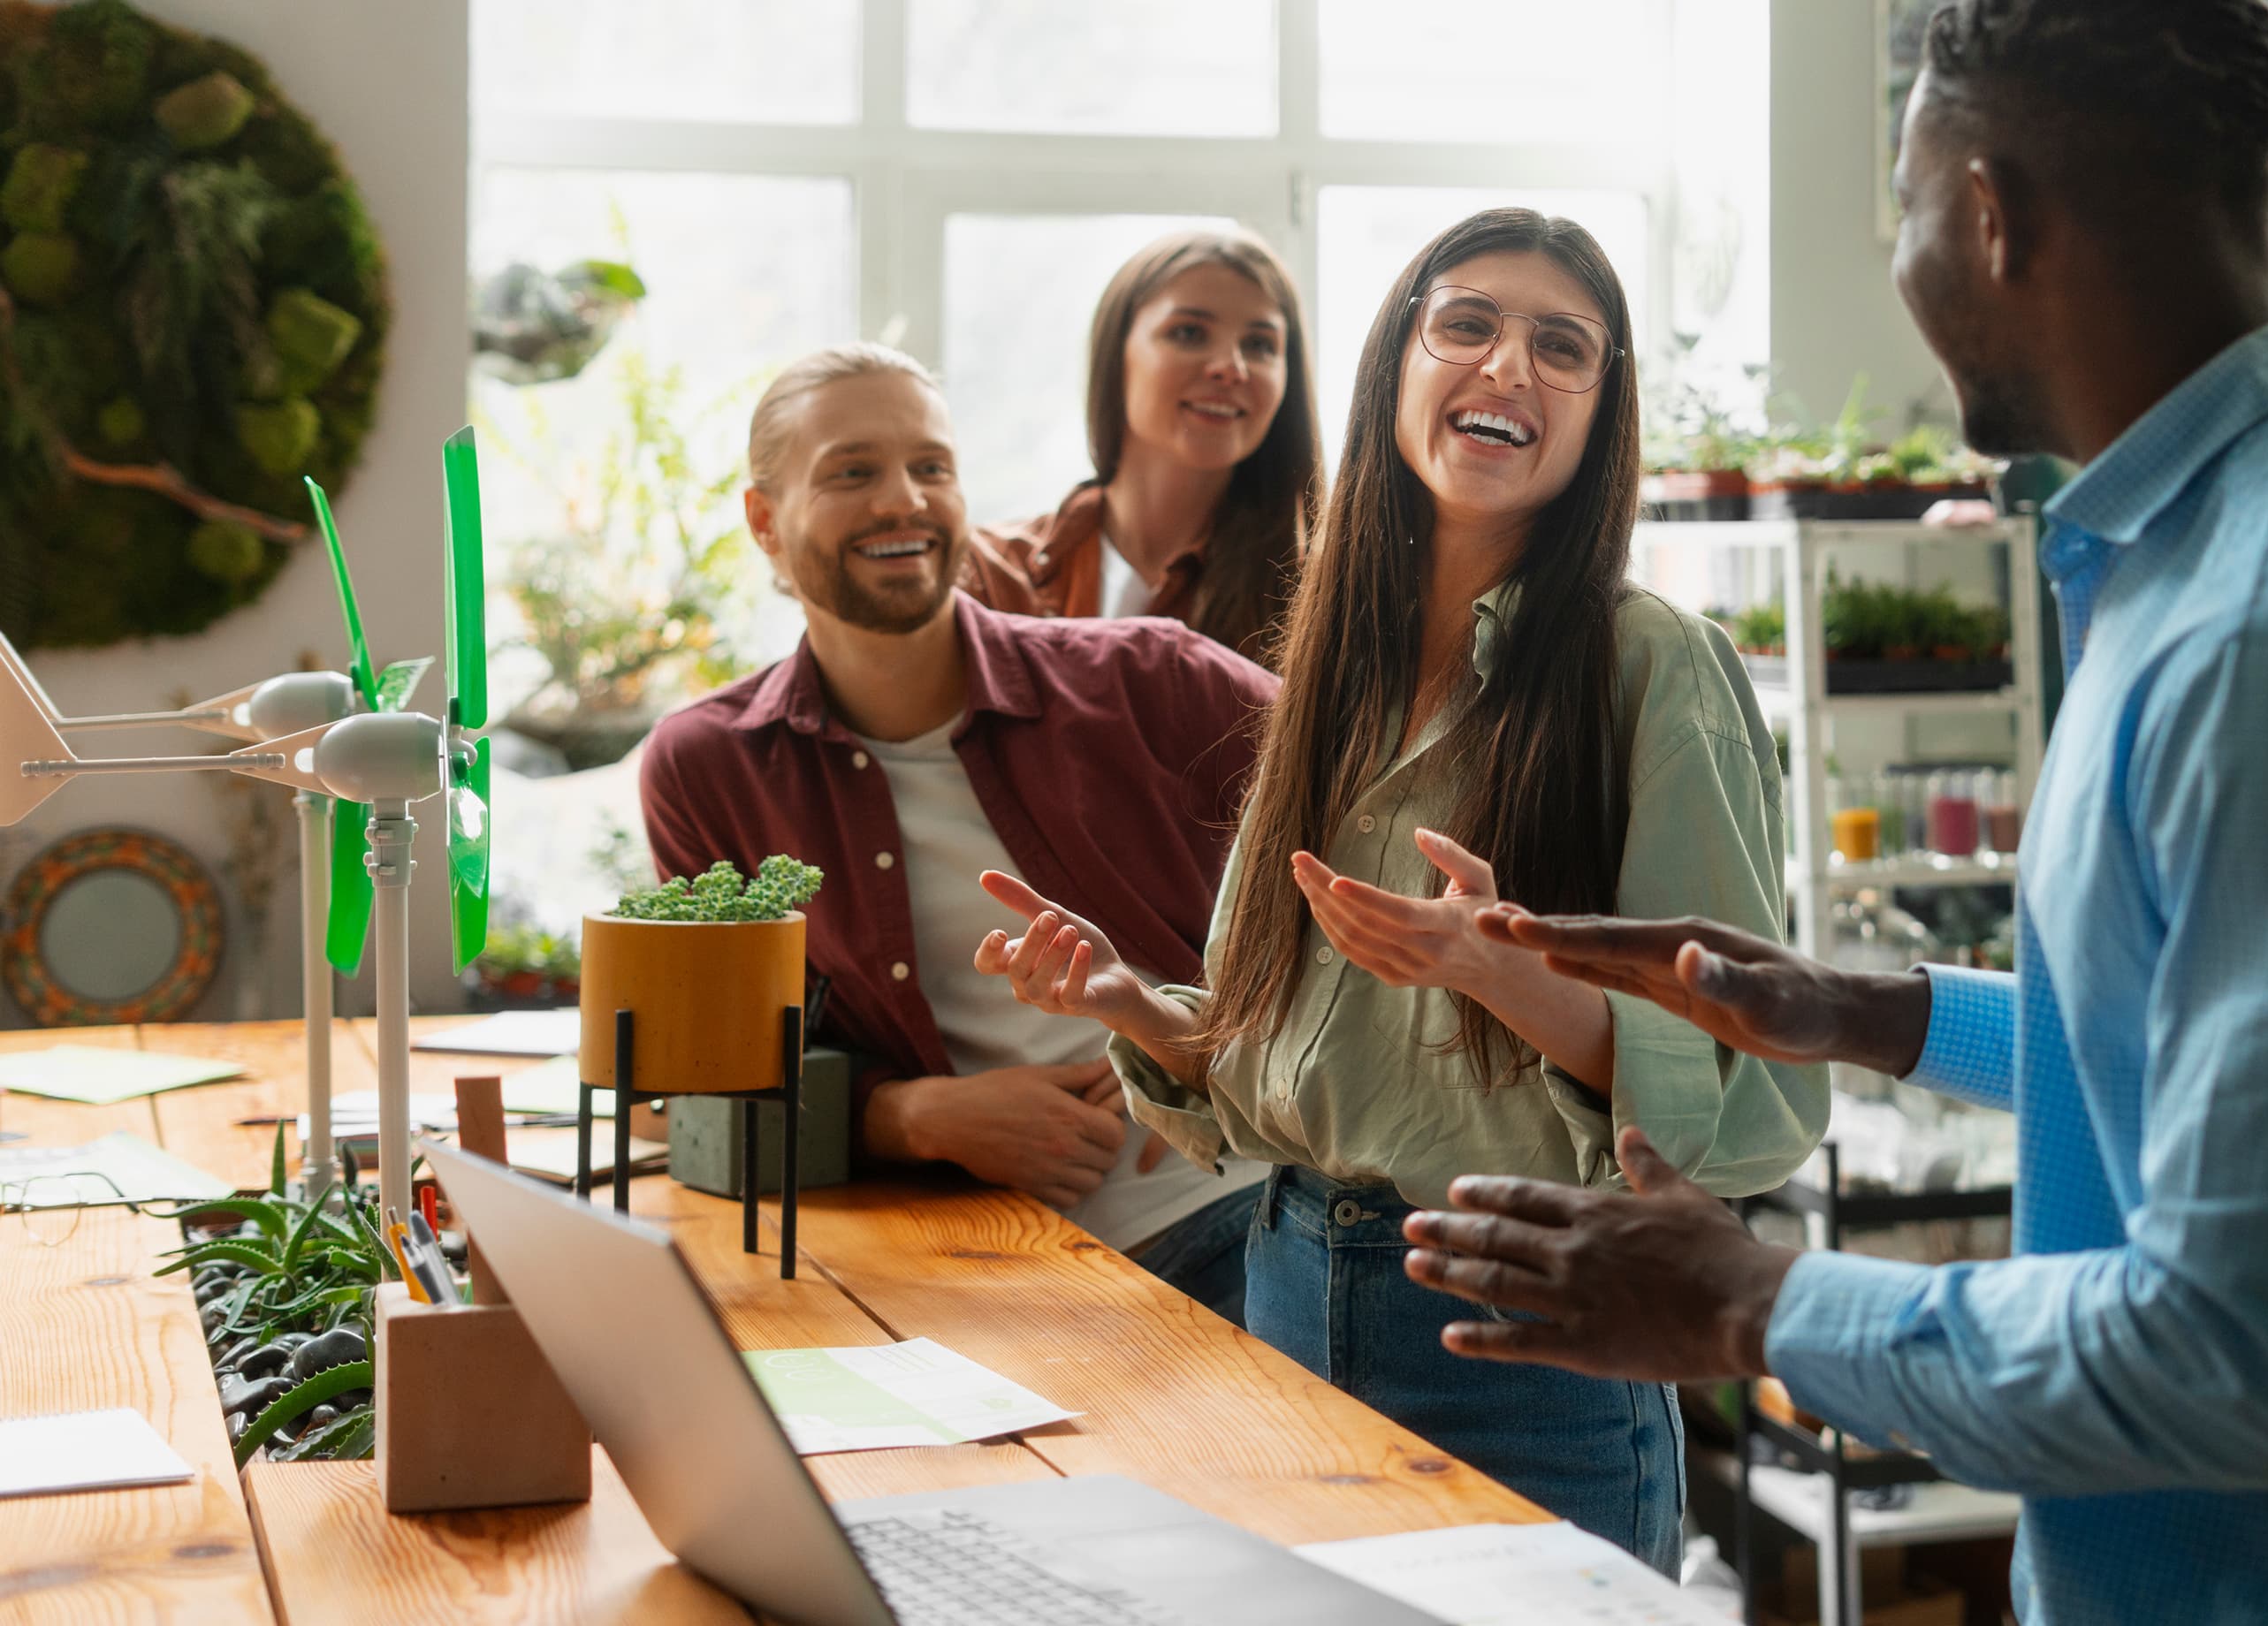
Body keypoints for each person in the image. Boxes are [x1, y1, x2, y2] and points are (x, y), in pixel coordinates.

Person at [1396, 6, 2268, 1622]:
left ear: (1992, 214)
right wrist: (1868, 1011)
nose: (1906, 267)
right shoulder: (2222, 541)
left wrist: (1756, 1306)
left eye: (1911, 204)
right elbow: (2219, 1033)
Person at [973, 209, 1826, 1573]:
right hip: (1283, 1296)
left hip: (1528, 1347)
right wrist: (1133, 1004)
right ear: (1395, 368)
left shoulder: (1653, 669)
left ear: (1600, 417)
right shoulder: (1333, 668)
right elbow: (1294, 1070)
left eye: (1564, 348)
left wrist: (1506, 972)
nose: (1508, 367)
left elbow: (1756, 1102)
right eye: (1468, 323)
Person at [640, 344, 1274, 1320]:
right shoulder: (709, 767)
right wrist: (912, 1118)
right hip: (972, 1255)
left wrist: (1212, 1032)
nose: (905, 500)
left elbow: (1386, 840)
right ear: (764, 520)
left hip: (1239, 1212)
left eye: (931, 467)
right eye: (854, 471)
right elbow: (697, 1087)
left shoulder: (1155, 678)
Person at [963, 229, 1321, 663]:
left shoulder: (1324, 596)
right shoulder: (988, 574)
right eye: (1189, 332)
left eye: (1260, 344)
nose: (1232, 367)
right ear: (1117, 355)